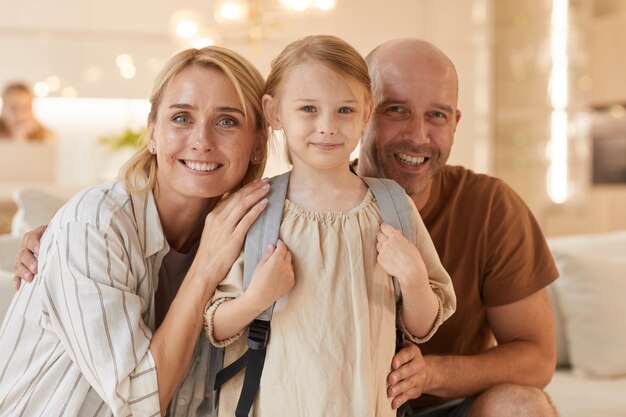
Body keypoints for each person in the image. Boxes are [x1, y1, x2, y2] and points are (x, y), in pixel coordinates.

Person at [0, 46, 277, 416]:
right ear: (152, 134)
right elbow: (137, 402)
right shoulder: (94, 226)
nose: (202, 140)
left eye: (227, 121)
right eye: (181, 118)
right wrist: (204, 269)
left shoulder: (250, 234)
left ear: (258, 144)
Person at [204, 35, 455, 416]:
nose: (327, 127)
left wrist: (415, 279)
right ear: (273, 113)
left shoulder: (391, 206)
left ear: (367, 112)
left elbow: (421, 326)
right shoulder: (258, 209)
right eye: (308, 109)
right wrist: (256, 298)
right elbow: (218, 327)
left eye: (344, 110)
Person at [357, 38, 559, 416]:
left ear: (456, 122)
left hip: (449, 407)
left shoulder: (490, 207)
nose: (418, 136)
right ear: (361, 114)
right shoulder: (309, 211)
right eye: (396, 109)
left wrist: (430, 373)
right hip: (343, 406)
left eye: (437, 115)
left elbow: (537, 358)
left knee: (522, 406)